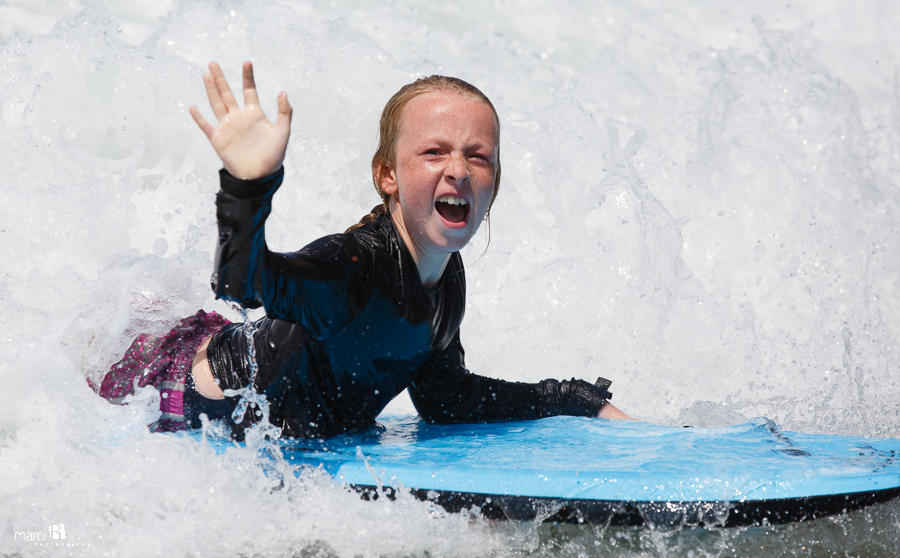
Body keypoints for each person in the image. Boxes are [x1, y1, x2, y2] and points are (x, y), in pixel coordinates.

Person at [98, 61, 632, 438]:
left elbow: (446, 401)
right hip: (158, 389)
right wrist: (247, 186)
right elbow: (241, 286)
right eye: (433, 152)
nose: (458, 170)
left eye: (479, 156)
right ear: (387, 174)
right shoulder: (351, 266)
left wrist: (572, 399)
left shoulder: (445, 279)